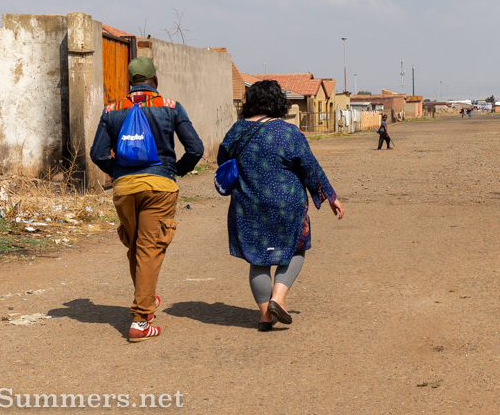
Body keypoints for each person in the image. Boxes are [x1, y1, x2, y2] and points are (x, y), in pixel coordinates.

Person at [90, 57, 204, 342]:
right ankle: (141, 321)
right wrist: (176, 170)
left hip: (124, 189)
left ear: (129, 81)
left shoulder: (112, 110)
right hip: (159, 186)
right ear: (155, 79)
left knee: (137, 247)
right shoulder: (170, 107)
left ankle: (146, 296)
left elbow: (97, 154)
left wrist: (116, 172)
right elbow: (196, 148)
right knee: (149, 248)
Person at [217, 80, 345, 331]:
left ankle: (265, 316)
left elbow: (223, 161)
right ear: (279, 102)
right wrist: (330, 196)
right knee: (296, 250)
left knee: (258, 259)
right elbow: (310, 168)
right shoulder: (289, 132)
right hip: (288, 205)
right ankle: (278, 298)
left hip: (248, 205)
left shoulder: (235, 131)